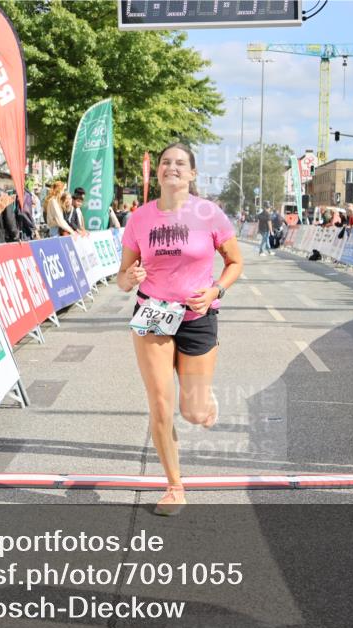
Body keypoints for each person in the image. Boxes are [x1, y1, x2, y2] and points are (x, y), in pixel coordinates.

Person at [117, 142, 243, 515]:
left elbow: (235, 261)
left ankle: (205, 406)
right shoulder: (140, 218)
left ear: (191, 174)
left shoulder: (210, 214)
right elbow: (122, 279)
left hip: (197, 316)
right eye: (165, 163)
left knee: (192, 412)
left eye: (180, 163)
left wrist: (217, 289)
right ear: (158, 172)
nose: (171, 167)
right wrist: (131, 275)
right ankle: (174, 485)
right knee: (160, 405)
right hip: (152, 314)